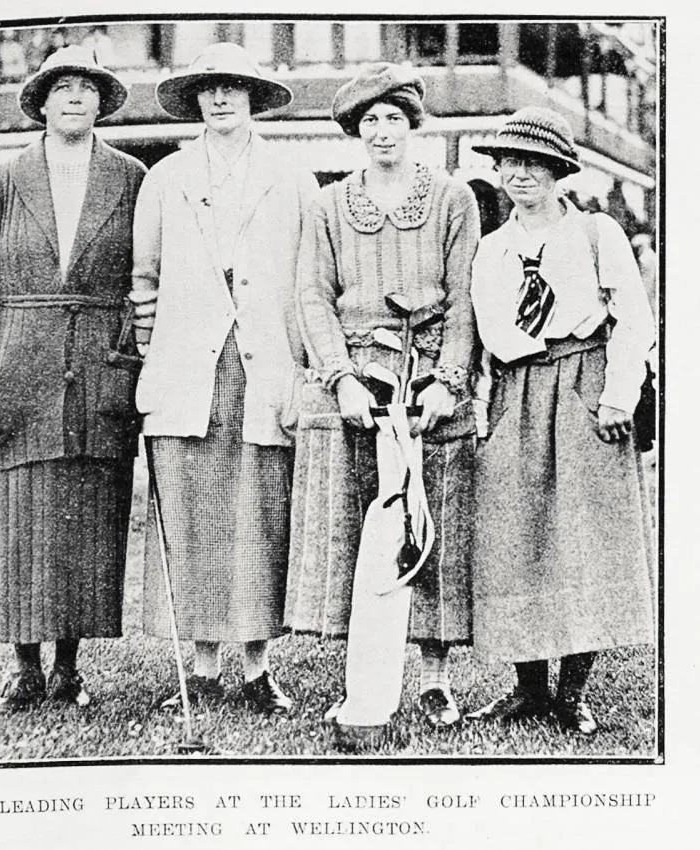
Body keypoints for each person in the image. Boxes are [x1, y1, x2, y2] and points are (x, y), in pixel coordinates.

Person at [288, 63, 480, 746]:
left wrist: (448, 378)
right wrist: (337, 376)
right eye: (368, 121)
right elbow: (312, 294)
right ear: (353, 132)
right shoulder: (329, 203)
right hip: (357, 384)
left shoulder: (454, 197)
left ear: (412, 124)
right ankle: (362, 678)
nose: (381, 131)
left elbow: (464, 295)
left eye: (392, 117)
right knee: (360, 531)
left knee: (432, 527)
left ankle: (433, 676)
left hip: (428, 382)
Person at [131, 42, 318, 715]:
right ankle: (205, 668)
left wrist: (301, 369)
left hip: (265, 368)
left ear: (253, 97)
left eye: (233, 87)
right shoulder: (167, 178)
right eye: (208, 89)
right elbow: (143, 281)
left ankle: (259, 666)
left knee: (261, 519)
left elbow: (307, 282)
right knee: (196, 517)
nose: (220, 99)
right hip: (188, 371)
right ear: (195, 100)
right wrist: (154, 358)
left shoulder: (293, 179)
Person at [0, 45, 146, 712]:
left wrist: (133, 354)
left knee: (84, 519)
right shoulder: (4, 179)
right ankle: (24, 667)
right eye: (61, 87)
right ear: (41, 101)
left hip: (98, 369)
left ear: (102, 102)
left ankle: (70, 666)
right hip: (20, 365)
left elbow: (146, 276)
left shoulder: (128, 177)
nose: (74, 98)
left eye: (86, 88)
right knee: (18, 517)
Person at [466, 106, 655, 735]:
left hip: (583, 380)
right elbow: (487, 334)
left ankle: (572, 691)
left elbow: (634, 319)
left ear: (558, 170)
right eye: (509, 163)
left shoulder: (596, 233)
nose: (520, 175)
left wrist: (618, 397)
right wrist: (483, 409)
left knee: (584, 535)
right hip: (517, 391)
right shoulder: (493, 248)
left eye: (534, 164)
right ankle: (528, 688)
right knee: (514, 532)